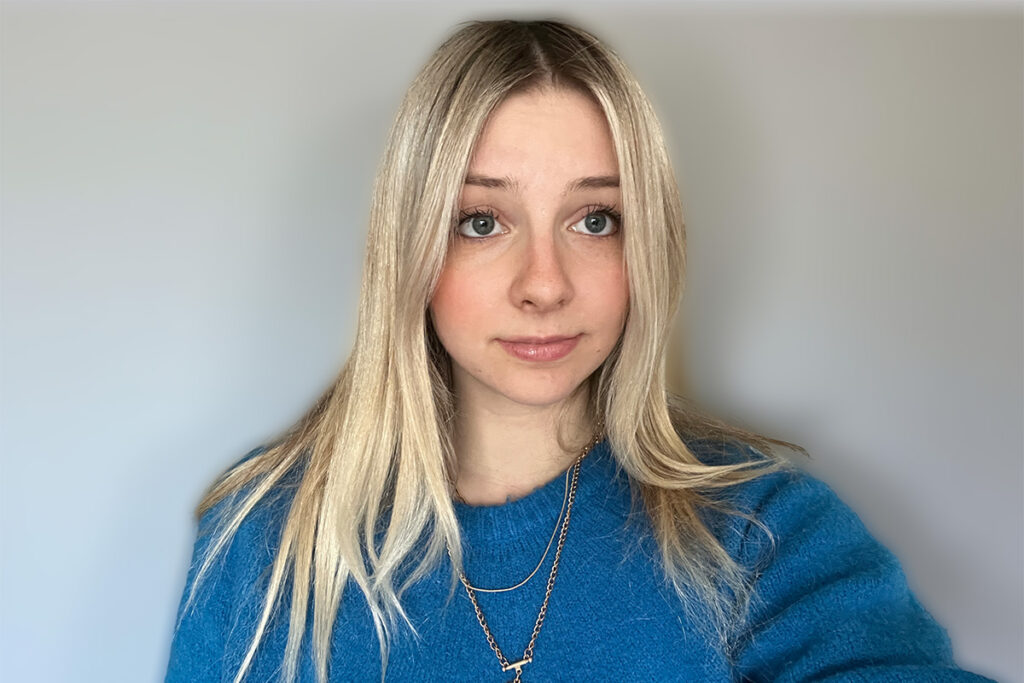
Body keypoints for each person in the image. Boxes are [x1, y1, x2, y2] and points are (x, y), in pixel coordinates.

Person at [164, 18, 995, 683]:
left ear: (647, 246)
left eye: (595, 220)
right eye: (481, 221)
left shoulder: (757, 531)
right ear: (409, 249)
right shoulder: (265, 542)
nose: (545, 284)